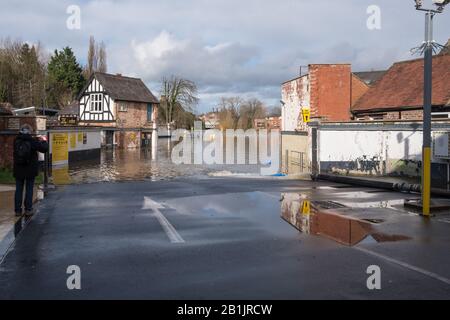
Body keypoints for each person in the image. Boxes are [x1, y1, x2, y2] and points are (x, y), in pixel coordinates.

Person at [13, 124, 48, 217]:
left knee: (18, 190)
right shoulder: (32, 141)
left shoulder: (16, 140)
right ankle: (28, 209)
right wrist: (43, 140)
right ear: (30, 132)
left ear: (21, 131)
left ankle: (17, 211)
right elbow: (44, 149)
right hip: (30, 169)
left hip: (18, 169)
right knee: (29, 189)